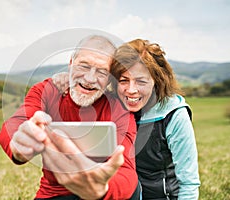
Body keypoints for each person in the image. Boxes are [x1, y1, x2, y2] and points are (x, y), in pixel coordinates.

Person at [53, 39, 200, 199]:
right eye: (123, 81)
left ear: (156, 81)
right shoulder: (111, 107)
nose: (131, 90)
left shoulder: (174, 116)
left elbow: (188, 183)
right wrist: (65, 79)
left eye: (141, 81)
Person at [0, 35, 141, 199]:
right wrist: (19, 144)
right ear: (71, 63)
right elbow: (16, 124)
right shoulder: (47, 91)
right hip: (55, 194)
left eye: (102, 72)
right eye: (84, 66)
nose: (89, 79)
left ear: (109, 78)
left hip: (103, 192)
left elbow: (127, 172)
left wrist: (101, 188)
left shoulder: (118, 109)